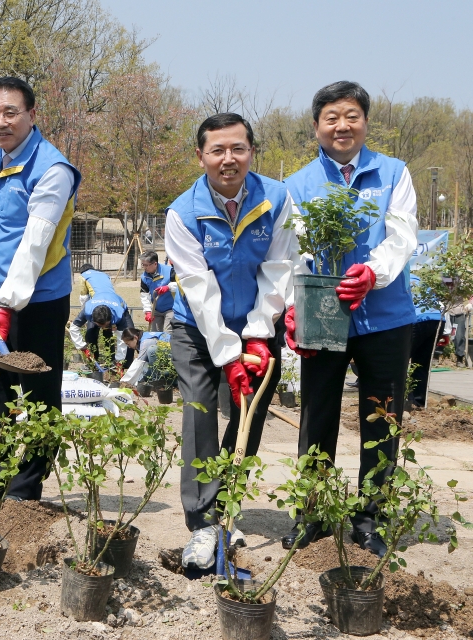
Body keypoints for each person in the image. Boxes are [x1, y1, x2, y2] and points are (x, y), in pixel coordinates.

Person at [284, 81, 418, 557]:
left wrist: (372, 273)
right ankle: (312, 514)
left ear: (365, 122)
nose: (342, 126)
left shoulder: (394, 173)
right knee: (316, 414)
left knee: (382, 417)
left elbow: (402, 235)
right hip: (324, 311)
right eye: (331, 117)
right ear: (317, 126)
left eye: (351, 116)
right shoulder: (297, 184)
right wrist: (294, 306)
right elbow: (294, 253)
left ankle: (370, 518)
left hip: (385, 315)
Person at [165, 112, 297, 570]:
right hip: (196, 330)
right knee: (200, 409)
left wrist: (259, 335)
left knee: (249, 413)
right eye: (217, 150)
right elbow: (198, 289)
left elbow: (279, 269)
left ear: (251, 151)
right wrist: (226, 352)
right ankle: (202, 521)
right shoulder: (182, 212)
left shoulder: (276, 199)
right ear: (200, 156)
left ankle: (226, 505)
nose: (228, 159)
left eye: (237, 148)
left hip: (255, 324)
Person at [0, 76, 81, 501]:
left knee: (40, 392)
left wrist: (5, 302)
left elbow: (35, 242)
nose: (1, 121)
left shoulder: (53, 170)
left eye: (11, 113)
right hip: (1, 297)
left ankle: (26, 487)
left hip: (39, 299)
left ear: (32, 115)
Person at [70, 264, 134, 367]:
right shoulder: (88, 310)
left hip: (115, 302)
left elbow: (122, 338)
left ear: (111, 319)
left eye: (105, 325)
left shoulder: (119, 313)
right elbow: (74, 327)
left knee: (130, 336)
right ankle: (93, 362)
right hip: (97, 303)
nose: (103, 327)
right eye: (100, 325)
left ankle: (125, 365)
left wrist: (119, 360)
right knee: (90, 335)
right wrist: (81, 345)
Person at [409, 275, 443, 408]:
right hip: (437, 319)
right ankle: (419, 400)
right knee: (422, 363)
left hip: (417, 318)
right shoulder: (420, 279)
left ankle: (395, 399)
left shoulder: (401, 278)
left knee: (398, 361)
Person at [139, 251, 177, 332]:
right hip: (156, 309)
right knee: (155, 333)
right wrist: (148, 312)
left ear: (155, 264)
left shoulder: (170, 271)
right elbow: (144, 295)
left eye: (146, 265)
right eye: (143, 265)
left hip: (171, 308)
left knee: (168, 332)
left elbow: (179, 284)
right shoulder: (144, 277)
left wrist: (168, 287)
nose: (144, 267)